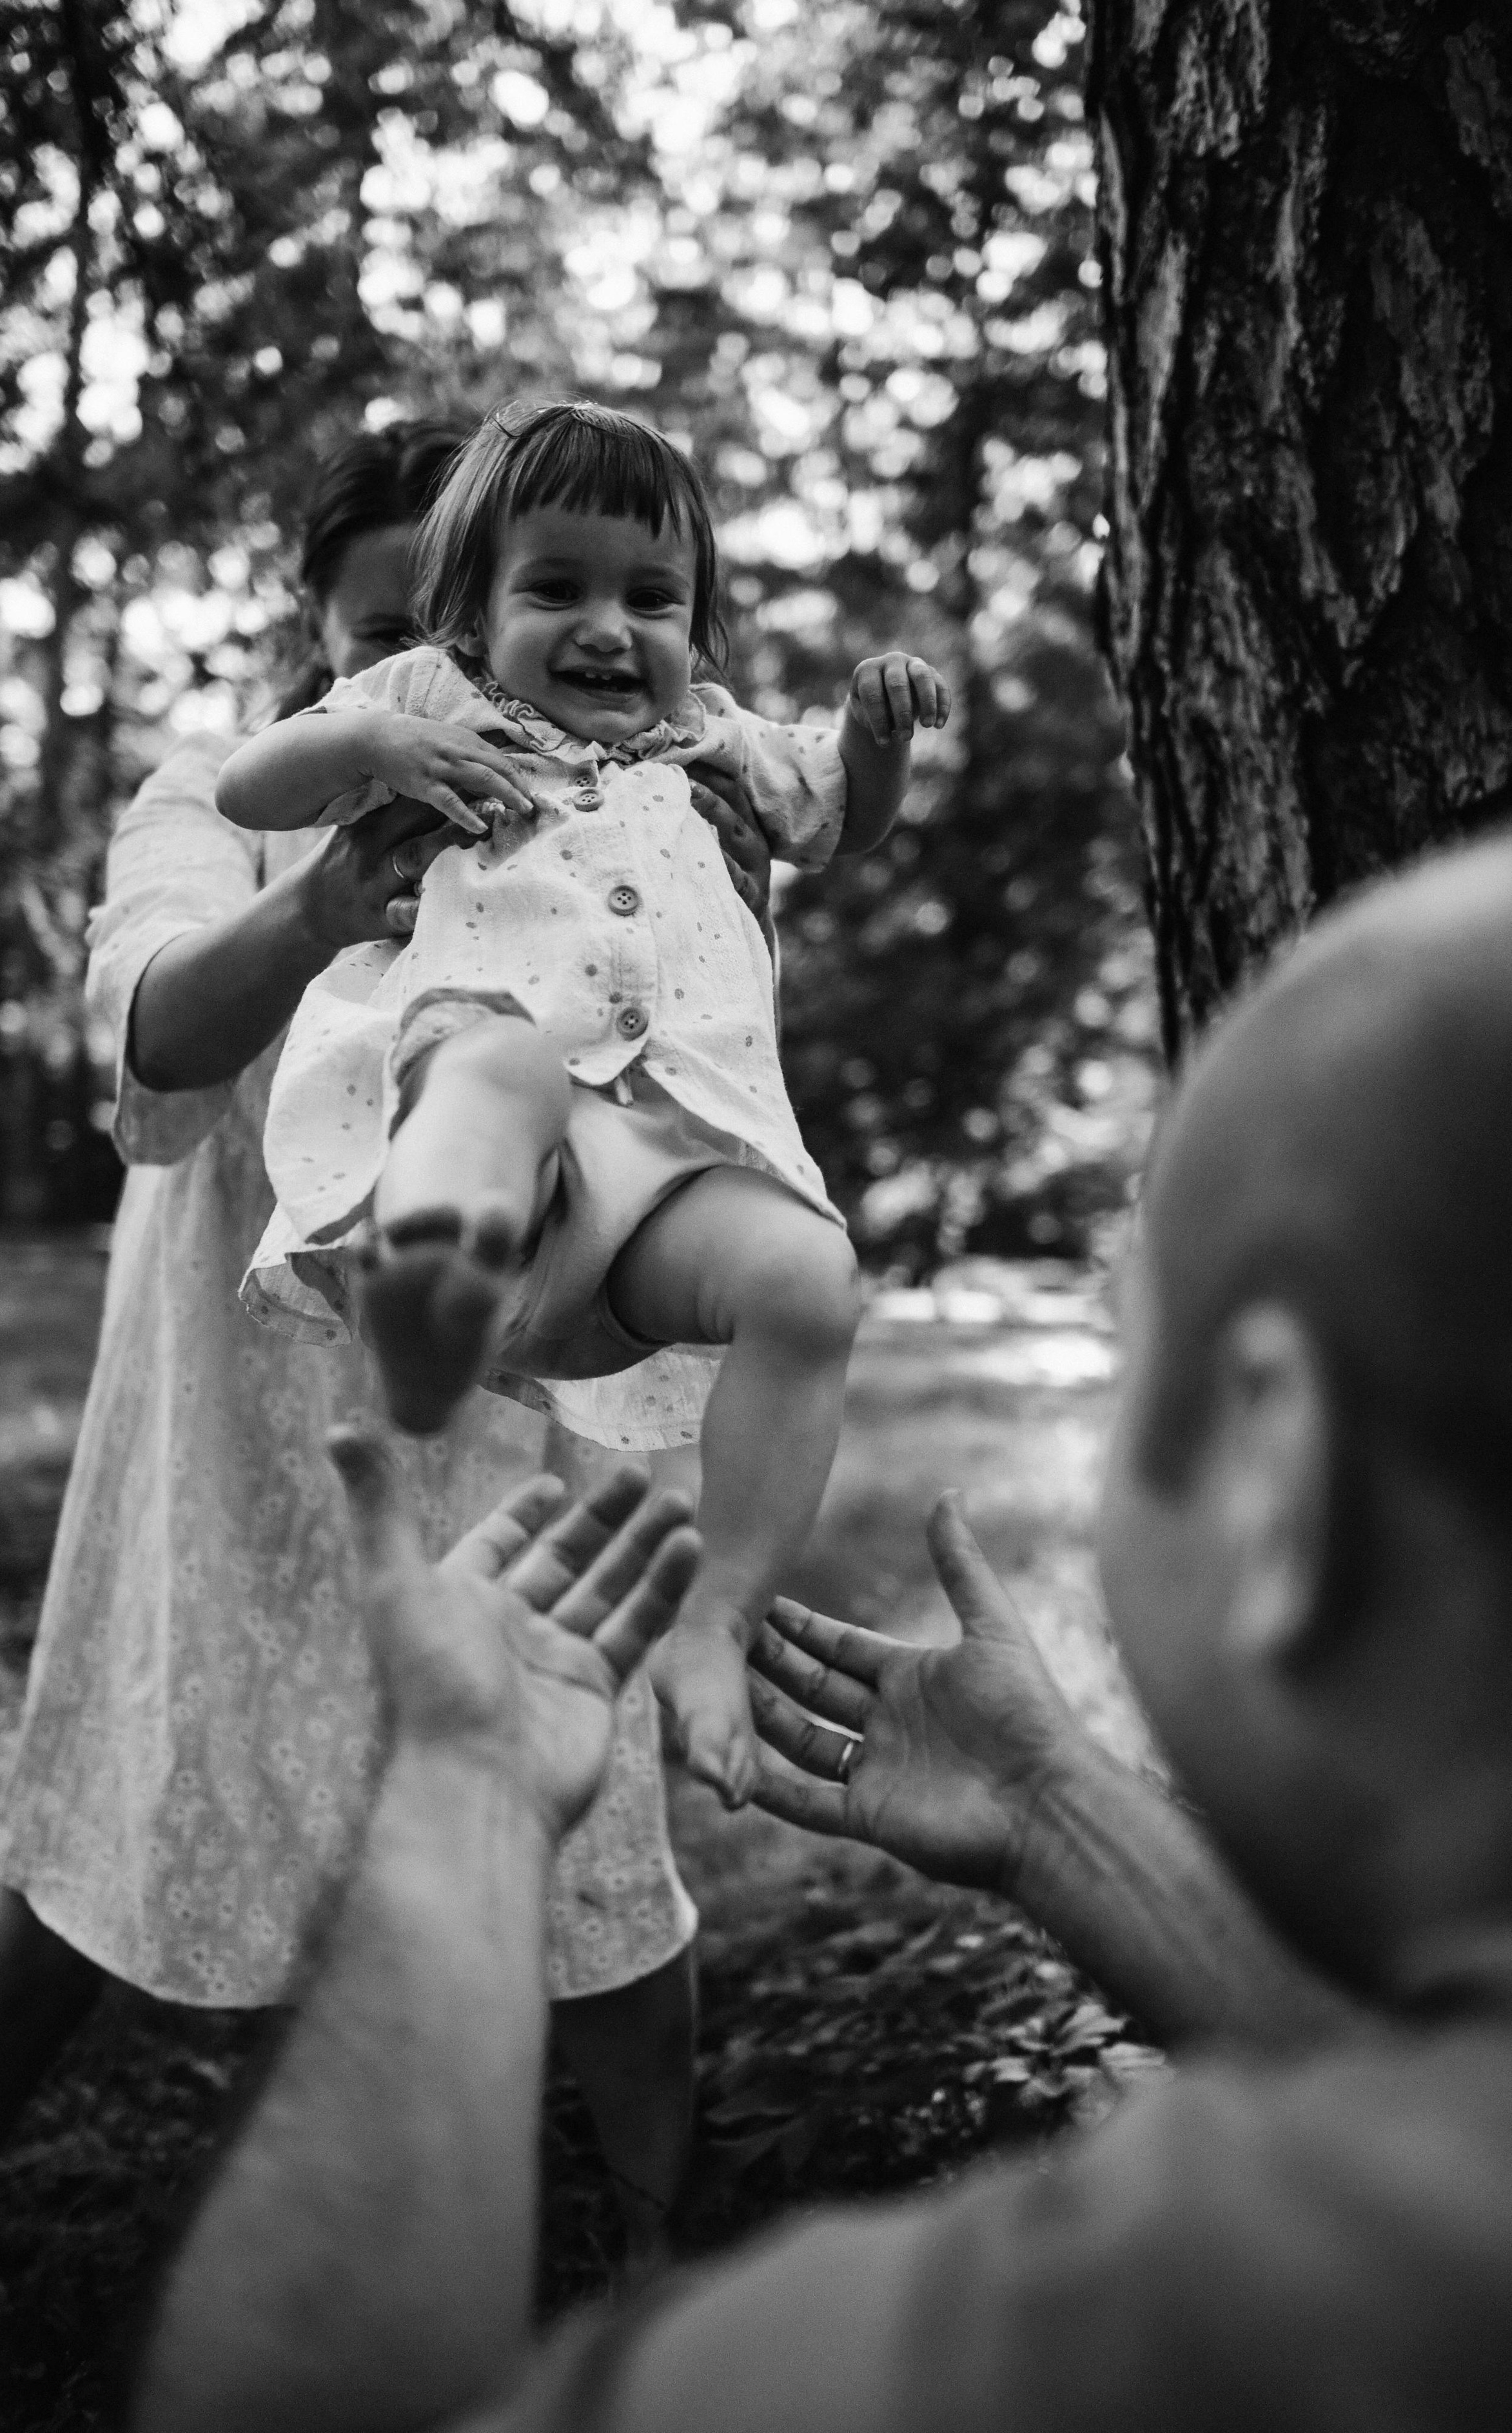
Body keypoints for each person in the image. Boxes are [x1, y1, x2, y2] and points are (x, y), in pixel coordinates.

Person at [138, 835, 1512, 2432]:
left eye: (1130, 1348)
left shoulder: (1178, 2319)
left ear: (1283, 1480)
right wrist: (1061, 1815)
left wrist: (462, 1794)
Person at [0, 419, 778, 2412]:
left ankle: (647, 2239)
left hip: (505, 1366)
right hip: (238, 1375)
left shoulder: (595, 755)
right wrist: (331, 899)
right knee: (126, 1786)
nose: (425, 678)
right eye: (382, 641)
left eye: (437, 634)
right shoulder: (230, 790)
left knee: (594, 1826)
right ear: (339, 635)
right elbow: (152, 1034)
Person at [215, 398, 950, 1810]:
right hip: (496, 1140)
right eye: (555, 588)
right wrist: (371, 751)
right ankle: (433, 1271)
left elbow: (836, 819)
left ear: (697, 625)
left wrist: (876, 741)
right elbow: (257, 781)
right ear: (472, 619)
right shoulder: (436, 700)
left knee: (810, 1279)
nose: (609, 628)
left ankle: (713, 1630)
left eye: (650, 597)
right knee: (500, 1060)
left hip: (665, 1171)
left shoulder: (714, 734)